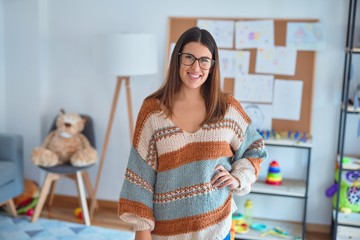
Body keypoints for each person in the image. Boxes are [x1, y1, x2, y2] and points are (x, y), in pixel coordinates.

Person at [118, 26, 267, 240]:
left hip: (216, 228)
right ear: (177, 58)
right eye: (189, 57)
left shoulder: (227, 108)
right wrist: (142, 230)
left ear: (212, 65)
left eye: (204, 60)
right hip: (166, 232)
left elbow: (255, 148)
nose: (196, 67)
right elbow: (140, 175)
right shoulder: (153, 112)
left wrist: (238, 177)